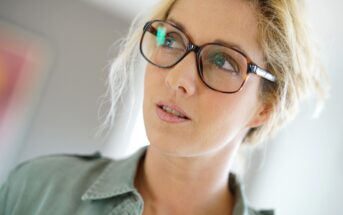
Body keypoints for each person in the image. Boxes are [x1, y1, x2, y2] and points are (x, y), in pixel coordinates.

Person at [0, 0, 328, 214]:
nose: (178, 78)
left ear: (265, 107)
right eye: (170, 40)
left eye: (222, 61)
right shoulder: (37, 189)